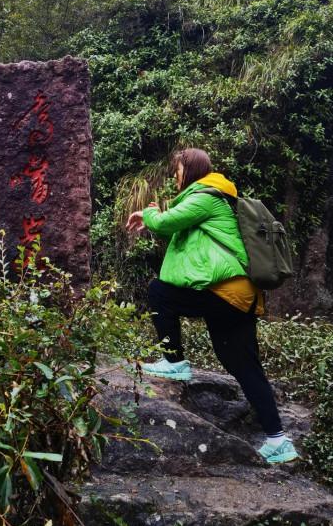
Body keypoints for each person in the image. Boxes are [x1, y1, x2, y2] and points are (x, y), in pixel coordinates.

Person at [126, 148, 299, 464]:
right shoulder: (214, 197)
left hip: (227, 292)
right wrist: (157, 217)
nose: (175, 176)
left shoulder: (207, 195)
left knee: (159, 293)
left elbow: (168, 223)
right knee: (242, 365)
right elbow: (180, 229)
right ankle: (279, 441)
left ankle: (174, 362)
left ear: (190, 170)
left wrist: (149, 215)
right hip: (239, 297)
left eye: (178, 170)